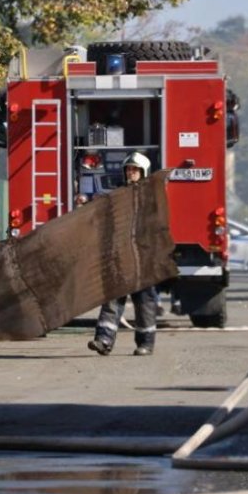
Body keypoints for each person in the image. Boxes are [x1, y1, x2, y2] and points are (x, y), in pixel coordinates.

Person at [88, 152, 159, 357]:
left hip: (143, 257)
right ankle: (104, 340)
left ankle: (145, 343)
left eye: (135, 170)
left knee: (144, 301)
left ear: (144, 172)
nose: (131, 173)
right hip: (119, 255)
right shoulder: (118, 196)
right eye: (128, 169)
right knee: (112, 298)